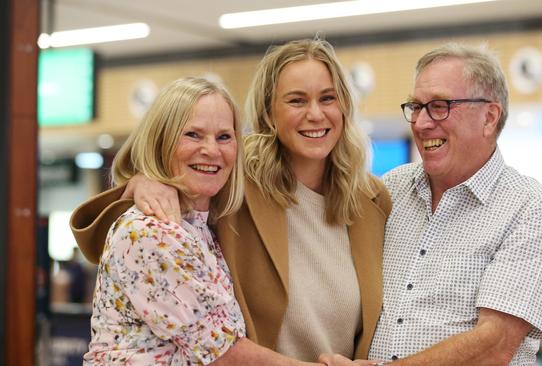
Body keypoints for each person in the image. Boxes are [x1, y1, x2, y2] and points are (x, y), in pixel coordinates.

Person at [70, 39, 391, 363]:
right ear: (268, 112)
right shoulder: (237, 184)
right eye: (296, 100)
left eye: (328, 98)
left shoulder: (372, 201)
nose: (315, 113)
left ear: (345, 106)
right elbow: (223, 352)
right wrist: (145, 181)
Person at [321, 42, 542, 366]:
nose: (421, 123)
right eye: (416, 106)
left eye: (439, 106)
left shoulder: (531, 211)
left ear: (489, 117)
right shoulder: (391, 189)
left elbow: (493, 346)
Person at [82, 76, 330, 365]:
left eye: (224, 137)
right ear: (161, 140)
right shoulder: (152, 232)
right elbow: (225, 356)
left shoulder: (204, 226)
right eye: (193, 135)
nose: (211, 150)